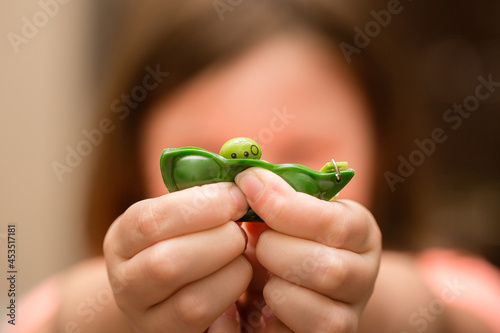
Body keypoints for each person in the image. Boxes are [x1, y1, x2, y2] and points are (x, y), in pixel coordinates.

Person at [8, 1, 500, 332]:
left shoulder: (455, 288)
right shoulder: (55, 305)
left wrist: (369, 300)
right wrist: (118, 310)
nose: (252, 183)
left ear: (384, 145)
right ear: (132, 161)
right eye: (203, 155)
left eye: (301, 148)